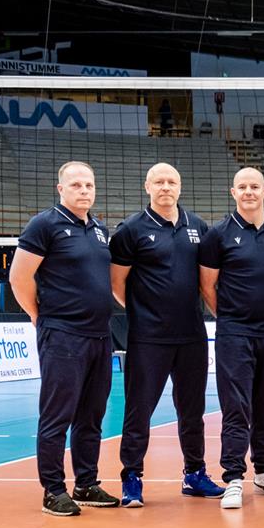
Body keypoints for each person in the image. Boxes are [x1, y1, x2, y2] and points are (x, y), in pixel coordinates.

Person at [8, 161, 119, 515]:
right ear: (61, 189)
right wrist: (39, 316)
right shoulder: (44, 224)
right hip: (63, 335)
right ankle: (53, 490)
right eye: (76, 185)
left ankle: (86, 483)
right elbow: (18, 278)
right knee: (57, 415)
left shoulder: (99, 229)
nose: (84, 190)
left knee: (91, 416)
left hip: (100, 336)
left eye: (89, 185)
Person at [108, 162, 223, 507]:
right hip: (148, 338)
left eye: (171, 181)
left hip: (191, 336)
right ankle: (132, 477)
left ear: (180, 186)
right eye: (158, 181)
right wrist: (145, 312)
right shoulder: (131, 229)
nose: (165, 187)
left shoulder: (197, 226)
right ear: (147, 186)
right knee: (138, 410)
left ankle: (195, 473)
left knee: (192, 410)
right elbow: (117, 283)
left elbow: (206, 279)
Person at [198, 167, 264, 510]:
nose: (249, 192)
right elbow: (208, 286)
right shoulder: (218, 234)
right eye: (243, 187)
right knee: (236, 406)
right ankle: (233, 477)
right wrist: (229, 317)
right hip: (235, 333)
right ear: (233, 192)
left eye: (255, 186)